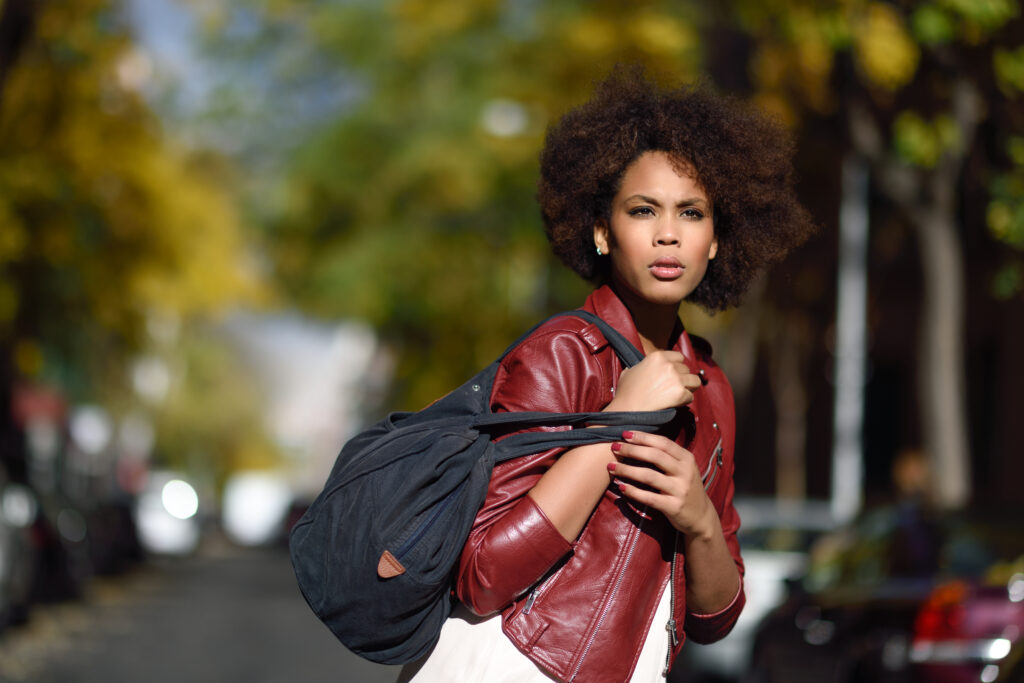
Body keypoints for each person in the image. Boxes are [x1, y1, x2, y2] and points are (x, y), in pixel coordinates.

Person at [398, 66, 816, 683]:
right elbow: (483, 577)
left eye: (692, 213)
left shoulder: (712, 387)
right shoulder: (563, 353)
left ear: (717, 240)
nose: (668, 234)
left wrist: (698, 517)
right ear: (601, 231)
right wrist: (615, 427)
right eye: (643, 210)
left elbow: (714, 618)